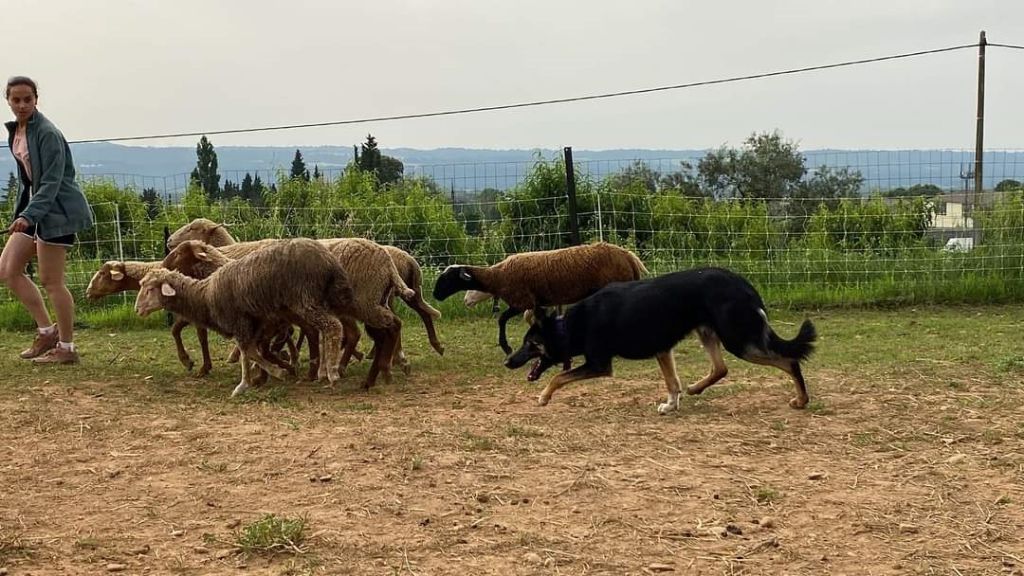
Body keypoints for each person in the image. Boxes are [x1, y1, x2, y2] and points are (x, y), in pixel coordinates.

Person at [1, 76, 94, 364]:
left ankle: (67, 348)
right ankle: (46, 331)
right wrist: (23, 214)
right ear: (8, 101)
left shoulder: (48, 133)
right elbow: (29, 180)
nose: (22, 104)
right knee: (7, 269)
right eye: (16, 100)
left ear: (36, 99)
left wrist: (29, 216)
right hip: (34, 210)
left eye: (27, 99)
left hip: (58, 211)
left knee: (51, 281)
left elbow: (51, 183)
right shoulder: (17, 131)